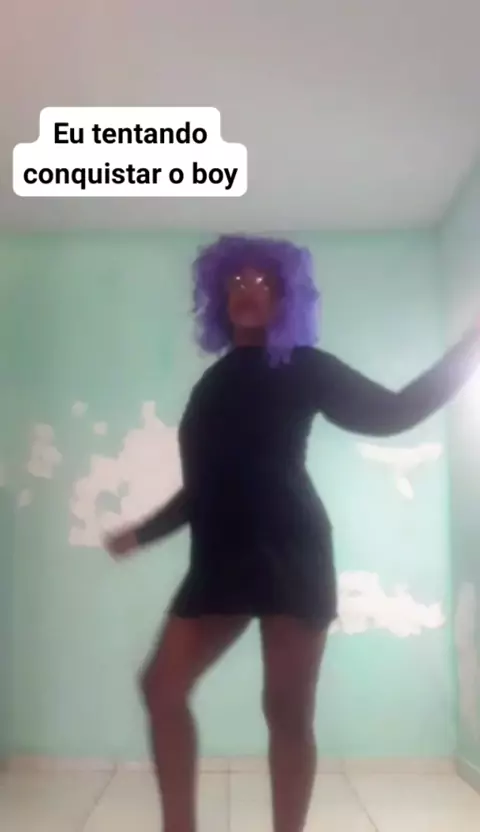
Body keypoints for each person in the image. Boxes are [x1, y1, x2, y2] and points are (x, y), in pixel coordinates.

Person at [105, 234, 480, 832]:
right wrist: (143, 533)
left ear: (286, 298)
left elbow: (396, 411)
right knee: (161, 688)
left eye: (263, 282)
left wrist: (467, 350)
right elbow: (205, 486)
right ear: (218, 296)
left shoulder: (303, 366)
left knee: (286, 713)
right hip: (219, 560)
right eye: (236, 281)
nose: (247, 291)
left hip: (291, 552)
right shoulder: (213, 385)